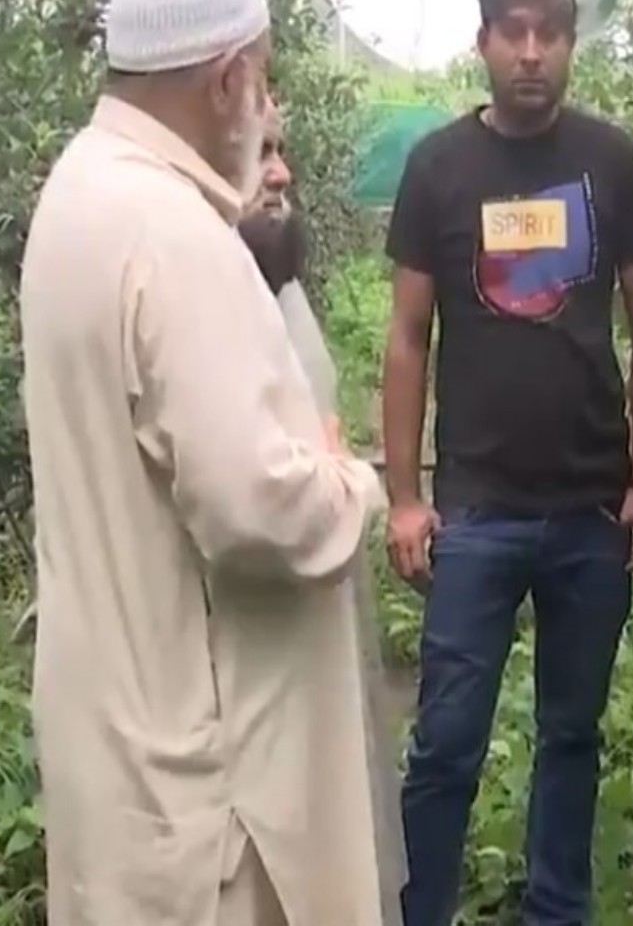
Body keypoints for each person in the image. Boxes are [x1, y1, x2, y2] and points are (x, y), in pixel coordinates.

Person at [18, 0, 388, 926]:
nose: (265, 108)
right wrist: (355, 484)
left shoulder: (77, 190)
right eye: (262, 82)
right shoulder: (178, 234)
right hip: (208, 774)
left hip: (113, 737)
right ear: (228, 80)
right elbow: (253, 506)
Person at [381, 0, 633, 926]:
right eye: (515, 32)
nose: (533, 53)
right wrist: (406, 497)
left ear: (570, 44)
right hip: (476, 509)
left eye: (551, 33)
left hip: (591, 507)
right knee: (446, 741)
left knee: (571, 738)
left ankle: (558, 911)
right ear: (484, 42)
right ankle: (420, 910)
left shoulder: (611, 161)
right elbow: (406, 340)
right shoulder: (437, 168)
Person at [237, 106, 408, 926]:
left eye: (282, 151)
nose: (281, 175)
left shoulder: (279, 288)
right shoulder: (200, 306)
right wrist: (351, 482)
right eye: (258, 152)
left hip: (318, 624)